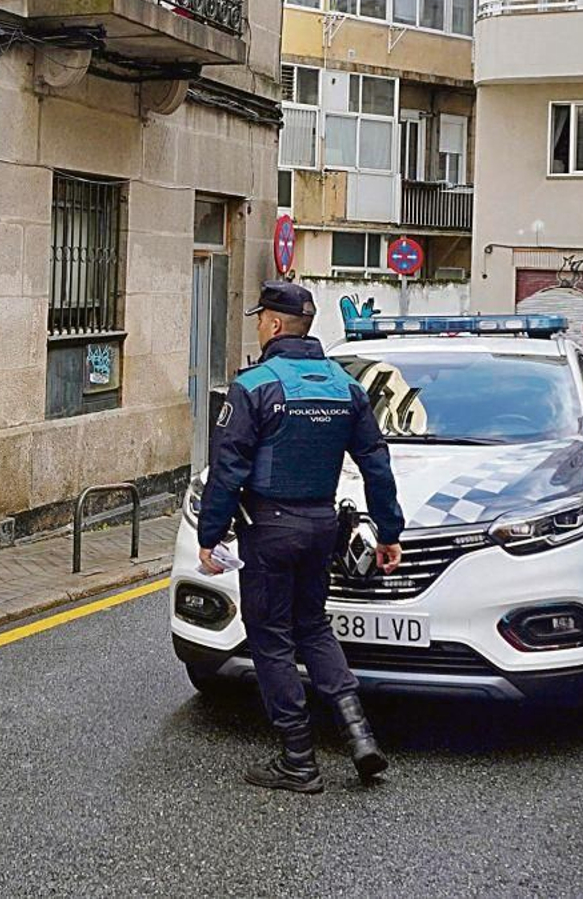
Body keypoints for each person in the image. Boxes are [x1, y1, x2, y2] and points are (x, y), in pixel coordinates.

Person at [197, 280, 404, 794]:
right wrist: (389, 531)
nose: (258, 326)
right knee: (313, 627)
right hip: (321, 525)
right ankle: (360, 736)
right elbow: (376, 463)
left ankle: (298, 759)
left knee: (271, 638)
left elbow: (228, 470)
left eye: (259, 319)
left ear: (272, 324)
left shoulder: (255, 385)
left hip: (270, 528)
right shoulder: (345, 386)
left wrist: (211, 534)